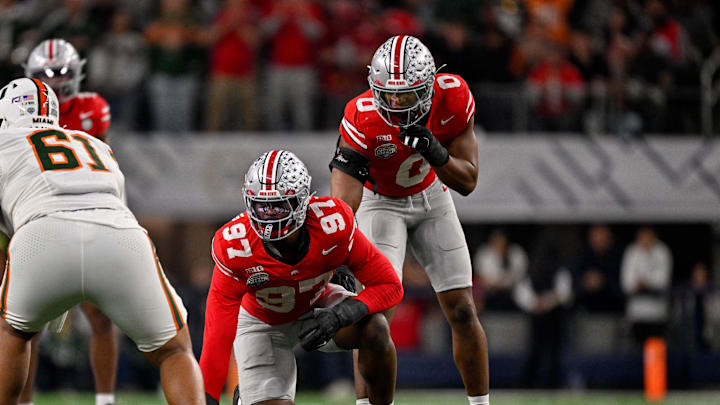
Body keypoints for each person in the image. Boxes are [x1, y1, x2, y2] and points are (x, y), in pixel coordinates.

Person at [0, 77, 204, 404]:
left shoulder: (4, 141)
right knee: (174, 350)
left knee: (13, 332)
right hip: (120, 237)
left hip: (42, 235)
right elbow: (118, 208)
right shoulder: (94, 144)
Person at [329, 35, 490, 405]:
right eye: (389, 95)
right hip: (380, 202)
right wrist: (339, 247)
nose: (397, 104)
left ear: (430, 85)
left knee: (463, 308)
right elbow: (345, 194)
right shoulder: (362, 115)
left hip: (433, 196)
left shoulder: (453, 96)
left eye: (407, 95)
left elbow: (468, 181)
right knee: (373, 318)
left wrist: (437, 153)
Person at [200, 150, 403, 405]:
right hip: (262, 324)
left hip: (316, 305)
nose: (269, 214)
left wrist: (343, 314)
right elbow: (217, 331)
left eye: (278, 205)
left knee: (375, 327)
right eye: (262, 205)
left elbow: (389, 285)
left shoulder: (332, 224)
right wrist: (207, 398)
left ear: (302, 200)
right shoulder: (235, 245)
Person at [22, 38, 115, 405]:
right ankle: (22, 399)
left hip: (86, 216)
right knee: (23, 321)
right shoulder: (17, 112)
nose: (55, 81)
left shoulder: (93, 109)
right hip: (37, 217)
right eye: (46, 75)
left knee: (99, 314)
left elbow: (105, 164)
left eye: (61, 72)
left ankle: (105, 399)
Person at [621, 226, 673, 346]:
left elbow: (663, 281)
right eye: (642, 236)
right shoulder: (632, 251)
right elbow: (626, 283)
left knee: (655, 349)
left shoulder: (662, 251)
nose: (645, 239)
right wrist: (639, 284)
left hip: (657, 313)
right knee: (636, 349)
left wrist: (646, 283)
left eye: (648, 236)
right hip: (637, 313)